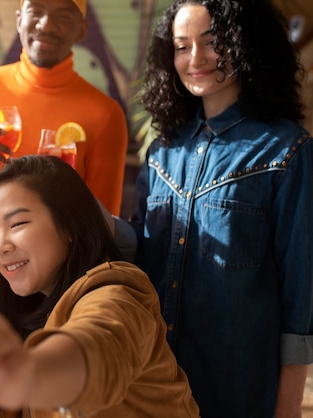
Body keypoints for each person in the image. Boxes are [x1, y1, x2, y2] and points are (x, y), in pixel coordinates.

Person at [114, 0, 313, 415]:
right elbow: (140, 253)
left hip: (240, 388)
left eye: (212, 42)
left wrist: (289, 404)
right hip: (156, 382)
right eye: (182, 46)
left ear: (247, 44)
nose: (195, 59)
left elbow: (301, 292)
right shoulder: (161, 152)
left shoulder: (287, 149)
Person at [0, 155, 200, 417]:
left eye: (18, 224)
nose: (1, 246)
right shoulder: (33, 305)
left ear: (69, 227)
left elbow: (98, 347)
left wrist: (28, 374)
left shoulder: (117, 290)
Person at [0, 0, 129, 273]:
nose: (46, 25)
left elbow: (102, 225)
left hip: (56, 280)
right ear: (19, 18)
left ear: (81, 30)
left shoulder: (105, 114)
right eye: (36, 11)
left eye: (63, 15)